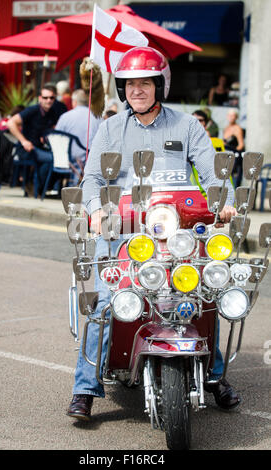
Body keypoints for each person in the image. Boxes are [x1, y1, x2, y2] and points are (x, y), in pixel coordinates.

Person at [67, 47, 239, 421]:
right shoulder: (112, 128)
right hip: (123, 229)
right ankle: (85, 387)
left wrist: (221, 201)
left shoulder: (188, 126)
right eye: (130, 84)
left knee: (204, 291)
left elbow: (211, 175)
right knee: (104, 302)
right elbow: (93, 178)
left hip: (175, 229)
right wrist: (96, 210)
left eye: (145, 83)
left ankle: (214, 374)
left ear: (160, 85)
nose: (137, 91)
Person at [7, 84, 66, 193]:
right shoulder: (32, 110)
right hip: (26, 149)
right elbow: (10, 123)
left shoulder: (52, 112)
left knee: (60, 158)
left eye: (51, 98)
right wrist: (24, 141)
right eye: (45, 98)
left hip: (41, 148)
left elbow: (51, 129)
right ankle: (35, 186)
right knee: (53, 159)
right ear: (40, 98)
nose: (48, 100)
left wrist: (46, 136)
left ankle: (39, 187)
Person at [55, 89, 102, 185]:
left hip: (68, 159)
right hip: (92, 159)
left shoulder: (65, 117)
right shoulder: (98, 117)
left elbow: (56, 138)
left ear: (74, 102)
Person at [223, 109, 245, 187]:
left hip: (234, 157)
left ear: (236, 117)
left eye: (233, 115)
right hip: (226, 156)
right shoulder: (226, 128)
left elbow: (241, 145)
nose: (231, 117)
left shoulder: (237, 128)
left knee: (234, 181)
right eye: (229, 115)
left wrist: (234, 155)